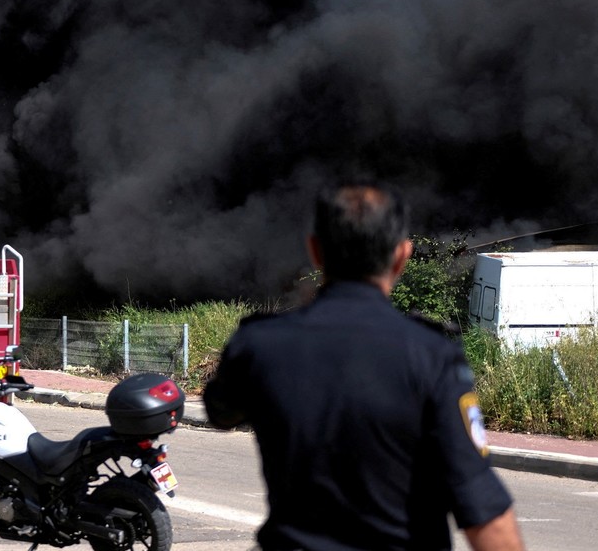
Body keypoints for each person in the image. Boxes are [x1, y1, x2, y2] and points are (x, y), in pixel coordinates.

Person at [204, 183, 525, 551]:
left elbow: (221, 412)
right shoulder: (431, 355)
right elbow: (481, 507)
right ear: (402, 256)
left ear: (315, 251)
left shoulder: (259, 344)